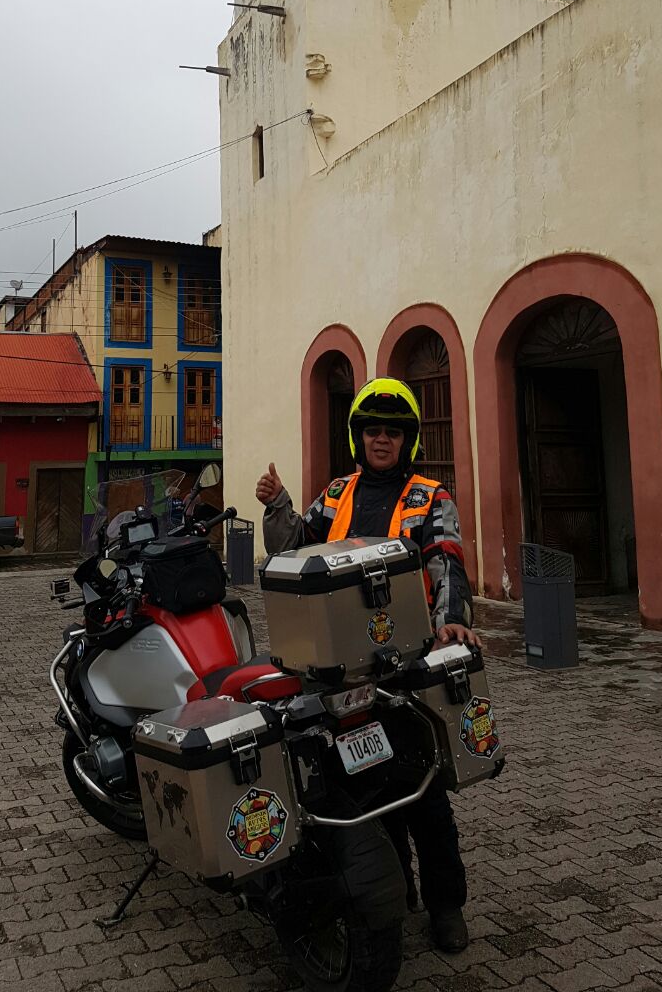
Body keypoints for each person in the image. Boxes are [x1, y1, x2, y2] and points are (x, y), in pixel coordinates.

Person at [255, 376, 480, 953]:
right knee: (354, 783)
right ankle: (389, 885)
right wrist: (276, 504)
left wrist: (451, 618)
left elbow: (447, 559)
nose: (383, 438)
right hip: (337, 665)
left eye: (395, 430)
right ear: (359, 436)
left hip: (405, 661)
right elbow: (293, 551)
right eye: (373, 429)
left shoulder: (431, 497)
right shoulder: (335, 494)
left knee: (423, 786)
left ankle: (446, 904)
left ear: (409, 439)